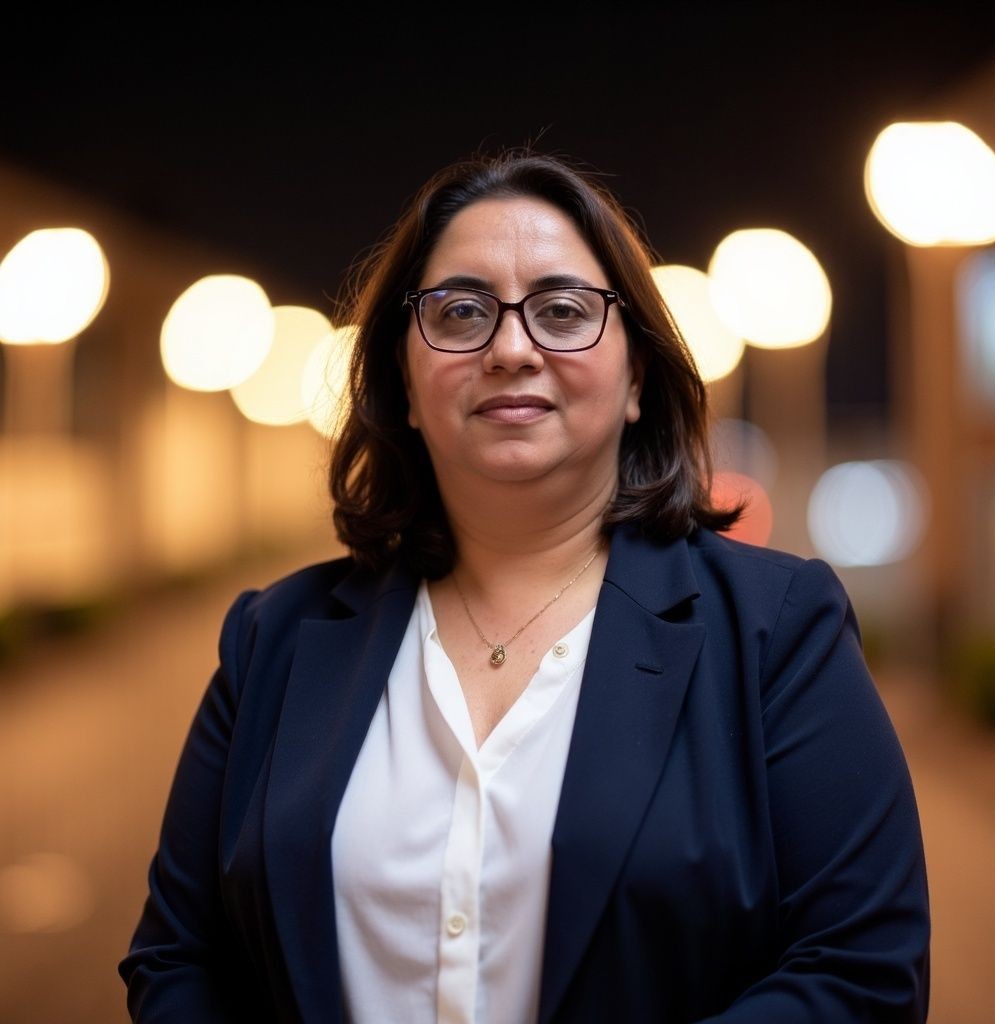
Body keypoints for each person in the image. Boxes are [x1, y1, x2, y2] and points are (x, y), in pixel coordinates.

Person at [120, 151, 930, 1023]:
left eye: (564, 310)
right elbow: (178, 960)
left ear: (636, 379)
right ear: (402, 378)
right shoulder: (270, 639)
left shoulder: (776, 631)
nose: (511, 347)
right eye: (462, 311)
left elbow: (862, 969)